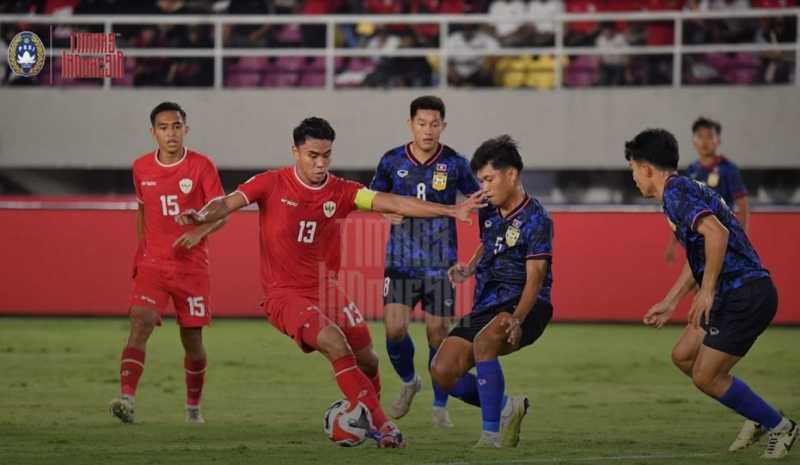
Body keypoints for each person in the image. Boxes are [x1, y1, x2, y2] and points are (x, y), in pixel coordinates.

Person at [176, 117, 485, 448]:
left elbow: (393, 201)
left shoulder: (342, 191)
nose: (320, 163)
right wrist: (200, 215)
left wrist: (451, 211)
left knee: (369, 360)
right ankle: (385, 428)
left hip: (328, 291)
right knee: (335, 343)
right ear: (295, 152)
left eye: (326, 155)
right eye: (312, 155)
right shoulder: (271, 183)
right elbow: (226, 202)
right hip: (285, 296)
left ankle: (364, 416)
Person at [626, 128, 797, 459]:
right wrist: (671, 300)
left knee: (706, 376)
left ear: (646, 168)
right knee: (684, 357)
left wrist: (705, 293)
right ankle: (757, 414)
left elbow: (716, 235)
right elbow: (701, 254)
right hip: (729, 292)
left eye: (633, 169)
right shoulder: (683, 189)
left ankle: (782, 426)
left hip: (745, 293)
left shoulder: (676, 194)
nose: (633, 178)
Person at [430, 135, 554, 448]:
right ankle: (506, 407)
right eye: (480, 180)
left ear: (511, 174)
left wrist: (517, 317)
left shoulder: (537, 219)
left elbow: (536, 276)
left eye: (488, 179)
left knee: (485, 342)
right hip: (487, 304)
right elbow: (488, 242)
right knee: (442, 371)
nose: (483, 187)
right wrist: (470, 266)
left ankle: (490, 437)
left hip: (527, 303)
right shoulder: (488, 208)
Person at [110, 101, 226, 425]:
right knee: (140, 323)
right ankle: (127, 400)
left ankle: (193, 408)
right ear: (153, 133)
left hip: (192, 268)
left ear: (185, 129)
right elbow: (143, 210)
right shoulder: (141, 167)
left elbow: (222, 213)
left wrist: (199, 231)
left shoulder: (202, 166)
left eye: (176, 126)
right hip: (153, 266)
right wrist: (141, 250)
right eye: (164, 128)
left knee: (192, 340)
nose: (171, 133)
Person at [369, 96, 480, 427]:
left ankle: (439, 402)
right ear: (410, 124)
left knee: (437, 334)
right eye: (421, 123)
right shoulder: (391, 161)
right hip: (400, 263)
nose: (427, 130)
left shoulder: (456, 164)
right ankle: (409, 382)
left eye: (434, 124)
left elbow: (476, 198)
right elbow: (373, 199)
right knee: (394, 328)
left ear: (443, 126)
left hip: (440, 265)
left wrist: (474, 209)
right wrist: (386, 210)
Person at [666, 117, 750, 263]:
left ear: (718, 141)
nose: (704, 141)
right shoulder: (690, 172)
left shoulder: (728, 170)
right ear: (693, 141)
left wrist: (740, 242)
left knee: (714, 283)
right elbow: (682, 212)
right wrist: (673, 244)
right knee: (701, 283)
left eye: (710, 136)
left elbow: (743, 208)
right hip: (698, 242)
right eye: (700, 136)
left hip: (722, 239)